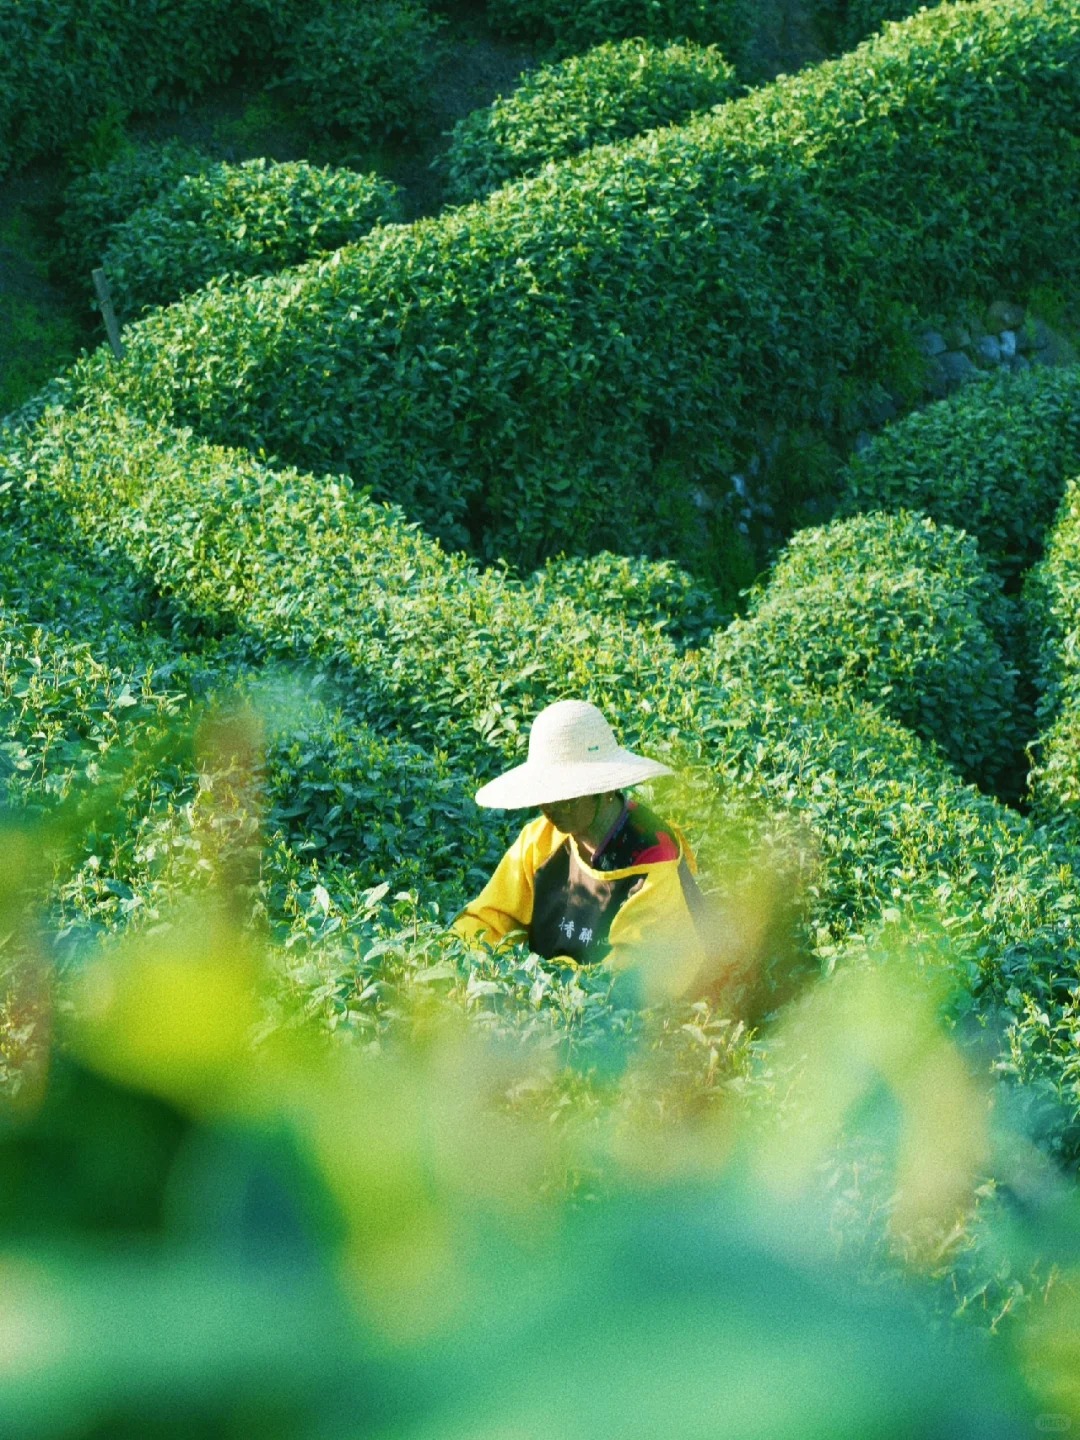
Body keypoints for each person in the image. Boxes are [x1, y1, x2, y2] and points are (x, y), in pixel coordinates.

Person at [454, 699, 713, 1001]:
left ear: (603, 790)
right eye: (545, 795)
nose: (549, 809)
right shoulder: (540, 839)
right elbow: (489, 919)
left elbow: (629, 977)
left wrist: (537, 982)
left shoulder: (653, 855)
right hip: (554, 1002)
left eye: (566, 797)